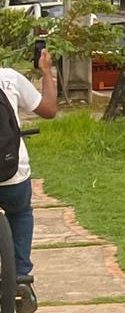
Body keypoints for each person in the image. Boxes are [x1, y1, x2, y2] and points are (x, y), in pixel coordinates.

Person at [0, 49, 59, 311]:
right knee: (21, 213)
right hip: (12, 172)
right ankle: (21, 277)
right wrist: (46, 71)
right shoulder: (9, 78)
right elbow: (49, 110)